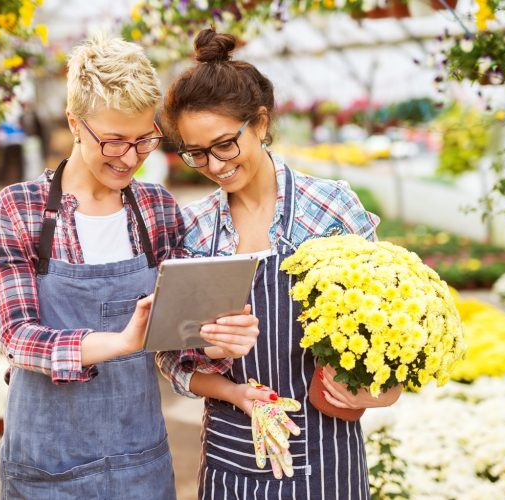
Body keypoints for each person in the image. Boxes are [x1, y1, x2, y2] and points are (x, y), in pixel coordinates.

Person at [0, 33, 260, 499]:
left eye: (144, 140)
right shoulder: (21, 208)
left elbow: (179, 343)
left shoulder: (157, 209)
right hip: (45, 465)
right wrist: (120, 342)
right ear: (75, 123)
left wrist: (216, 343)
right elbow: (17, 339)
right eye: (113, 141)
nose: (130, 158)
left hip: (138, 460)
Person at [157, 28, 403, 499]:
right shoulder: (195, 228)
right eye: (196, 153)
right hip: (231, 455)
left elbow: (390, 327)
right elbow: (171, 357)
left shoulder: (331, 208)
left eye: (225, 144)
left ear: (261, 122)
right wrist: (219, 368)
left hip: (327, 452)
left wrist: (383, 391)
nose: (215, 165)